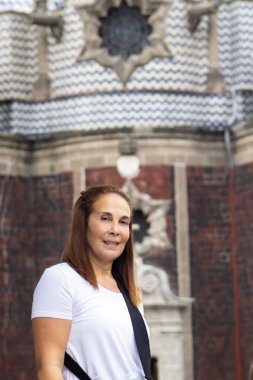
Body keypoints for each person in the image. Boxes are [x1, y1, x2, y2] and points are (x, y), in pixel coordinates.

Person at [31, 184, 151, 380]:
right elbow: (49, 368)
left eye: (123, 222)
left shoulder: (130, 291)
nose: (115, 230)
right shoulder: (60, 280)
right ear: (83, 224)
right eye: (105, 218)